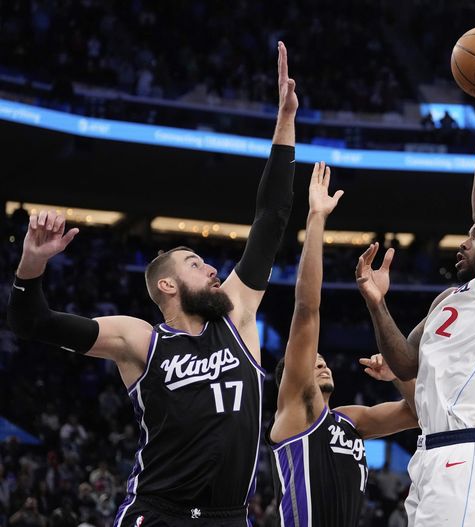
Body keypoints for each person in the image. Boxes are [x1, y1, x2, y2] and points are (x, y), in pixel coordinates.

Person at [7, 42, 299, 526]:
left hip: (229, 517)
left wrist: (285, 120)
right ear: (166, 286)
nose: (211, 270)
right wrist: (31, 265)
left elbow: (272, 215)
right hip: (158, 513)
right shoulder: (139, 339)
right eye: (195, 262)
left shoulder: (237, 315)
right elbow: (32, 323)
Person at [355, 45, 475, 525]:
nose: (466, 239)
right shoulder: (448, 298)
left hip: (471, 458)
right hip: (431, 456)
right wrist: (378, 305)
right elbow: (403, 362)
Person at [266, 162, 418, 526]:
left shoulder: (350, 420)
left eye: (322, 359)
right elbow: (306, 310)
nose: (320, 363)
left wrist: (397, 373)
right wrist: (316, 218)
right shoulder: (296, 413)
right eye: (310, 361)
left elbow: (418, 412)